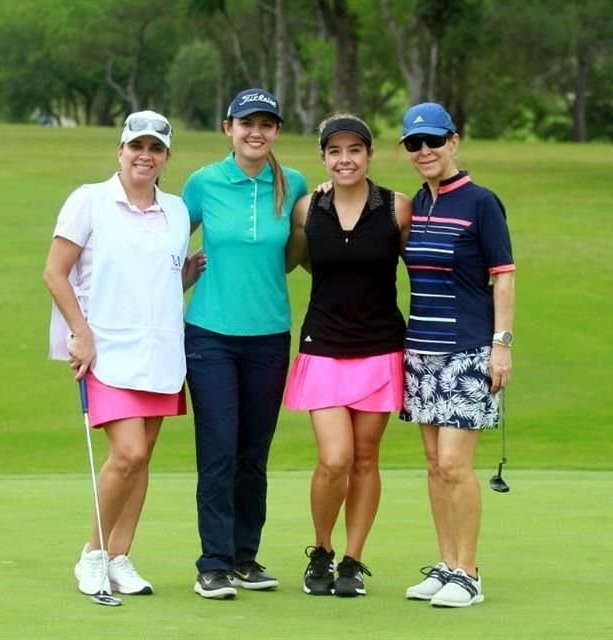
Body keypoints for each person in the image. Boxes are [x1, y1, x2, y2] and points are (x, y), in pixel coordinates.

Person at [43, 110, 204, 597]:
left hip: (159, 350)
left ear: (166, 158)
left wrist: (186, 278)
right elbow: (55, 272)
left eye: (155, 149)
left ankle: (120, 556)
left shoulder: (176, 211)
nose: (145, 156)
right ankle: (92, 553)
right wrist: (79, 333)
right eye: (137, 147)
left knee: (143, 457)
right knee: (128, 452)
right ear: (121, 151)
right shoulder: (89, 201)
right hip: (107, 350)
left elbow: (155, 280)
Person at [181, 88, 308, 599]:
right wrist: (181, 275)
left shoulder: (293, 183)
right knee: (218, 449)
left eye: (266, 123)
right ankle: (212, 562)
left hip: (269, 335)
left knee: (253, 453)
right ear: (227, 127)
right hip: (210, 332)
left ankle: (244, 558)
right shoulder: (204, 182)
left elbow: (297, 250)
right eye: (245, 122)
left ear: (276, 131)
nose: (256, 132)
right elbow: (166, 239)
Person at [283, 114, 411, 598]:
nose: (344, 159)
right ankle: (321, 549)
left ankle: (354, 560)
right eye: (334, 151)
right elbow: (298, 260)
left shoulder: (398, 208)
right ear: (323, 158)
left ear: (369, 155)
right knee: (334, 459)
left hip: (380, 348)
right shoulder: (306, 209)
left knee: (364, 458)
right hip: (324, 346)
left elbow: (417, 265)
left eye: (354, 150)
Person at [397, 102, 515, 608]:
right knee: (432, 463)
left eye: (434, 141)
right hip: (419, 349)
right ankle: (446, 565)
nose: (425, 151)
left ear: (454, 141)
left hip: (467, 350)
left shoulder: (481, 202)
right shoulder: (413, 206)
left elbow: (503, 275)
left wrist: (501, 346)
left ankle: (469, 572)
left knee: (454, 464)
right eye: (414, 144)